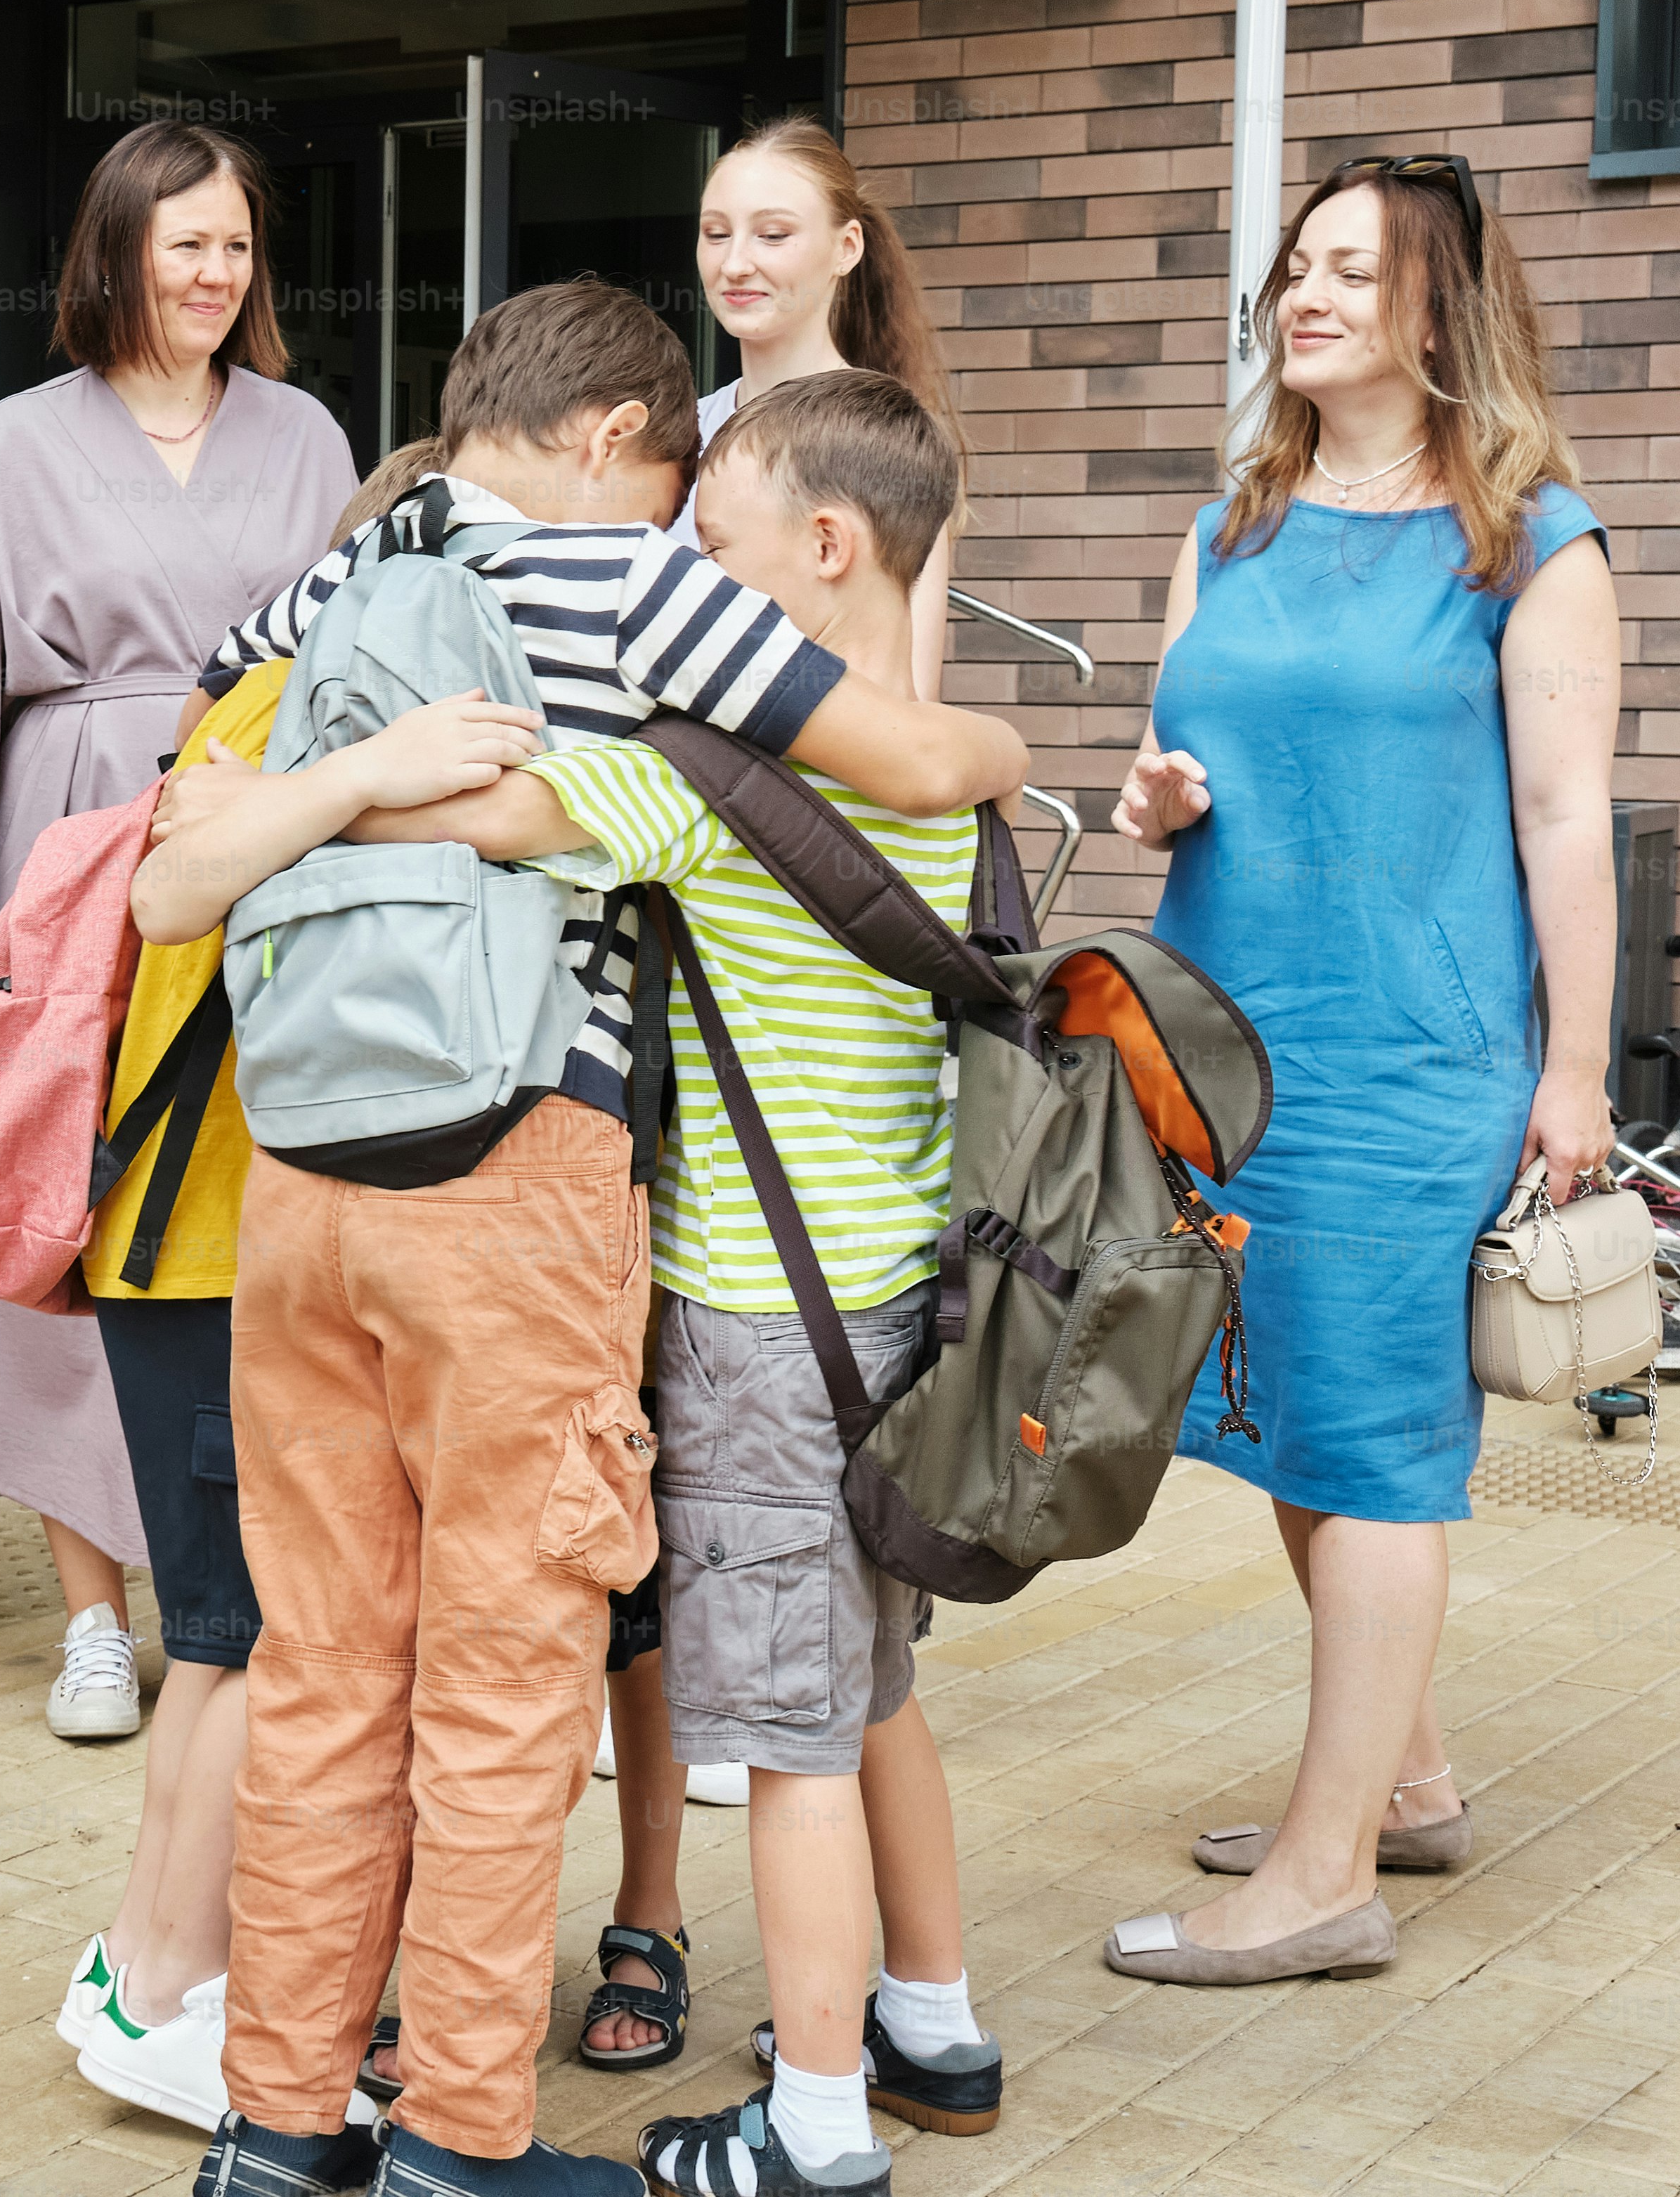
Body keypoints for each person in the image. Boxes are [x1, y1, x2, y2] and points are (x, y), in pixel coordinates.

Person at [133, 280, 1029, 2195]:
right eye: (679, 477)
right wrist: (1019, 743)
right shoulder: (636, 589)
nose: (687, 516)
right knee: (498, 1675)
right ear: (621, 439)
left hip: (297, 1178)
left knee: (314, 1668)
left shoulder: (334, 580)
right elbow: (912, 752)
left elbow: (178, 828)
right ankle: (459, 2135)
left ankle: (276, 2129)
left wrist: (338, 789)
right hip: (513, 1179)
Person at [386, 372, 1005, 2196]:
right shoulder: (934, 760)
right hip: (900, 1304)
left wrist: (323, 782)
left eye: (708, 552)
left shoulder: (691, 782)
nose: (680, 583)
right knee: (874, 1689)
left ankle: (810, 2128)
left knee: (789, 1741)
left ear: (819, 552)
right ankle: (927, 2018)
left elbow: (475, 822)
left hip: (750, 1326)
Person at [1102, 154, 1615, 1988]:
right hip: (1232, 1043)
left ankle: (1320, 1880)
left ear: (1431, 310)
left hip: (1412, 1062)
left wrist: (1572, 1074)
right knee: (1286, 1427)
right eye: (1290, 268)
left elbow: (1565, 821)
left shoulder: (1526, 541)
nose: (1301, 294)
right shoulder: (1227, 524)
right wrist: (1145, 796)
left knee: (1380, 1444)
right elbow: (1164, 753)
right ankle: (1397, 1778)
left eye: (1344, 269)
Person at [0, 119, 356, 1746]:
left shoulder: (303, 439)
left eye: (235, 246)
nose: (214, 274)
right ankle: (92, 1613)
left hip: (253, 864)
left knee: (221, 1230)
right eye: (184, 244)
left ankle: (233, 1582)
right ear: (118, 253)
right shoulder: (14, 442)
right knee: (74, 1199)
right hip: (64, 859)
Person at [685, 117, 965, 700]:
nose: (735, 263)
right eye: (716, 233)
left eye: (773, 235)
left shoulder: (887, 444)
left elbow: (907, 698)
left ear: (847, 248)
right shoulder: (675, 434)